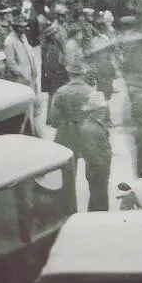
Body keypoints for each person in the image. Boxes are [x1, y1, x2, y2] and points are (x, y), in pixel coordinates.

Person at [47, 72, 112, 212]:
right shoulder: (92, 92)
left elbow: (54, 120)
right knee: (96, 174)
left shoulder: (61, 92)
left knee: (67, 177)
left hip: (66, 134)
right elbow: (105, 118)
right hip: (89, 133)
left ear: (69, 75)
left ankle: (70, 210)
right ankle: (96, 210)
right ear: (83, 75)